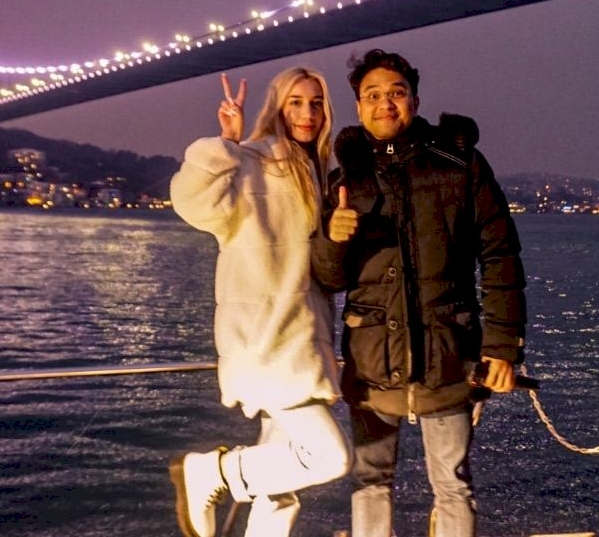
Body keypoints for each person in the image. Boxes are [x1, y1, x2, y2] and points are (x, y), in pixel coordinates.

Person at [311, 48, 527, 537]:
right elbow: (328, 278)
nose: (385, 103)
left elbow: (501, 258)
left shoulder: (459, 164)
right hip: (371, 361)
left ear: (415, 99)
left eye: (396, 93)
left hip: (447, 356)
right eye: (372, 96)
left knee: (452, 483)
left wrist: (502, 347)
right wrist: (332, 237)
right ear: (358, 107)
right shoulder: (345, 180)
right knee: (370, 481)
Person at [169, 68, 352, 537]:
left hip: (300, 339)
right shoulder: (253, 160)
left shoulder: (320, 170)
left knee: (280, 490)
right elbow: (192, 203)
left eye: (316, 103)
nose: (307, 113)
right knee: (328, 457)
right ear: (276, 107)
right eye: (295, 102)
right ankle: (214, 472)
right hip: (267, 342)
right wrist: (225, 144)